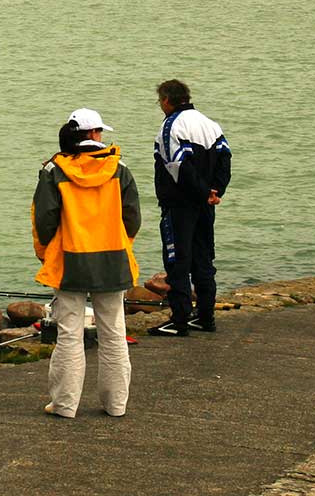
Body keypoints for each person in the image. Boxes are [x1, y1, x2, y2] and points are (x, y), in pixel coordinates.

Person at [33, 108, 139, 417]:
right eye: (100, 132)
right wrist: (119, 243)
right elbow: (132, 218)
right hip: (113, 258)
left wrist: (45, 254)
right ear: (93, 135)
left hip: (70, 259)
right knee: (114, 332)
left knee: (69, 333)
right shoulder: (120, 169)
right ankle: (116, 404)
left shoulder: (54, 171)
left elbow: (45, 220)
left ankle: (65, 404)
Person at [149, 80, 230, 337]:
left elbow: (178, 167)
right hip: (206, 205)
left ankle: (180, 319)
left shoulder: (170, 127)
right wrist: (216, 190)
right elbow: (225, 157)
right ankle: (206, 316)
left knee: (178, 262)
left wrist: (203, 191)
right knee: (204, 259)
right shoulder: (210, 124)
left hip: (179, 206)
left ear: (165, 100)